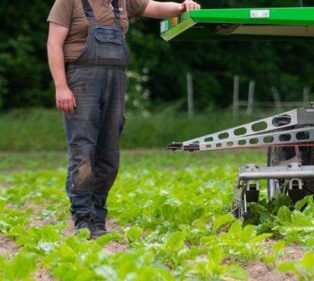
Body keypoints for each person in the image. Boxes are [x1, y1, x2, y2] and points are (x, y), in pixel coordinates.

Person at [47, 0, 201, 238]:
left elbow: (156, 8)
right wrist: (61, 87)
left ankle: (98, 219)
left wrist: (182, 7)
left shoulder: (123, 2)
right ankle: (83, 220)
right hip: (81, 79)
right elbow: (54, 44)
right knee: (83, 153)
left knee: (109, 157)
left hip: (115, 80)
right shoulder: (69, 1)